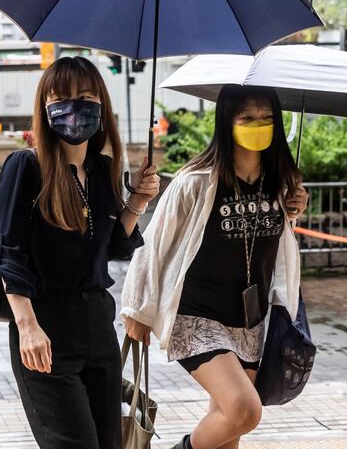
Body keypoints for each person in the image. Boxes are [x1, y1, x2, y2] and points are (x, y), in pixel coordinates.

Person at [121, 85, 308, 449]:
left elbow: (273, 247)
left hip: (250, 321)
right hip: (197, 316)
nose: (259, 125)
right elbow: (154, 244)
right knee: (244, 411)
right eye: (248, 118)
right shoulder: (196, 182)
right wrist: (136, 309)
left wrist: (293, 209)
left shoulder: (280, 184)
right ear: (227, 122)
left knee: (229, 430)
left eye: (267, 118)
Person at [0, 56, 160, 449]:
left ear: (101, 104)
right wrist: (27, 327)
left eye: (85, 96)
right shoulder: (26, 167)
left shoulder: (101, 171)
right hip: (45, 327)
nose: (74, 107)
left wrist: (136, 201)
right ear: (44, 107)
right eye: (61, 97)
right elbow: (9, 253)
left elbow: (114, 247)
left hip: (97, 328)